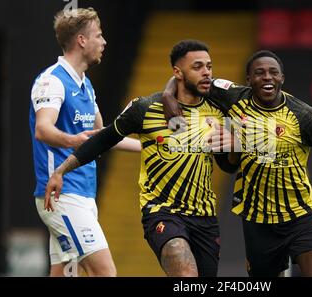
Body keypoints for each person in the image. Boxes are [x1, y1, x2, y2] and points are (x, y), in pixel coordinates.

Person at [44, 40, 237, 277]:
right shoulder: (145, 108)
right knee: (181, 263)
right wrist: (61, 171)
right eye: (198, 66)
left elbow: (228, 165)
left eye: (209, 66)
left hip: (205, 217)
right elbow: (104, 139)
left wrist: (233, 145)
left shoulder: (219, 112)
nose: (207, 72)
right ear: (177, 72)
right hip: (163, 211)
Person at [162, 49, 312, 277]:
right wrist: (167, 95)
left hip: (299, 217)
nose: (267, 77)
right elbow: (185, 76)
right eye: (259, 73)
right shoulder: (232, 95)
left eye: (273, 73)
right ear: (248, 79)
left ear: (282, 78)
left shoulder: (303, 115)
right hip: (257, 223)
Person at [30, 7, 140, 277]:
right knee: (105, 273)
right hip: (62, 196)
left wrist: (149, 146)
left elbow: (103, 137)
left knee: (65, 273)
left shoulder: (86, 86)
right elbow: (43, 130)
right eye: (99, 36)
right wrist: (73, 139)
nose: (104, 42)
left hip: (83, 196)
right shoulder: (52, 81)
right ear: (81, 40)